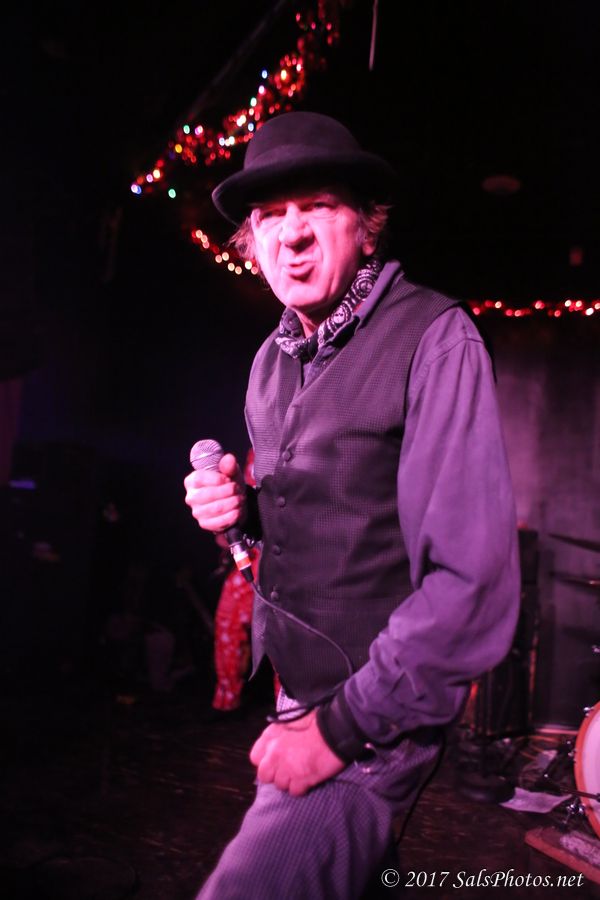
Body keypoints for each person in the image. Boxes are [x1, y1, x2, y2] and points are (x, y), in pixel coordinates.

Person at [184, 111, 520, 899]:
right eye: (271, 215)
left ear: (366, 228)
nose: (292, 234)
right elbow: (319, 516)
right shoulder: (271, 360)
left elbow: (469, 584)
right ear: (252, 242)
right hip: (298, 690)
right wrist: (238, 513)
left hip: (372, 719)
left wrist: (335, 731)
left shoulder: (435, 339)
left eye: (318, 206)